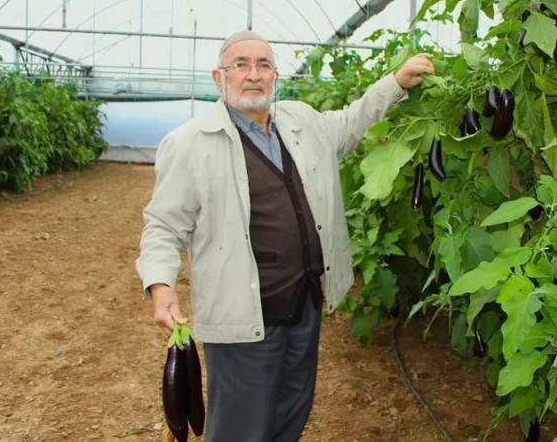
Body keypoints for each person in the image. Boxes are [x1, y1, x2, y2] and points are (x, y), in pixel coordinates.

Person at [135, 30, 433, 441]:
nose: (252, 75)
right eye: (240, 65)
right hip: (243, 314)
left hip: (303, 305)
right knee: (240, 425)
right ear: (218, 77)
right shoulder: (190, 144)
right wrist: (160, 285)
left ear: (275, 75)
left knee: (292, 410)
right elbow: (163, 225)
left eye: (263, 65)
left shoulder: (300, 122)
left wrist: (395, 83)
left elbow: (351, 122)